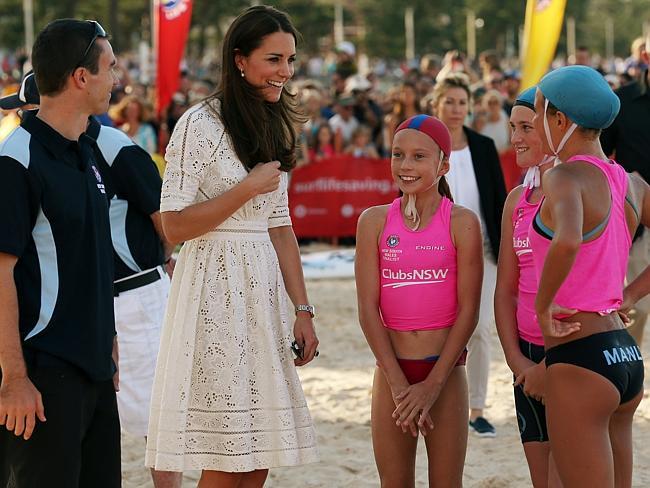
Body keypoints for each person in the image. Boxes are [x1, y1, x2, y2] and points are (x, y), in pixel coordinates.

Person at [145, 6, 319, 487]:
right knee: (225, 452)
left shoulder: (276, 123)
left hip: (262, 294)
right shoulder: (197, 125)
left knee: (259, 452)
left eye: (290, 60)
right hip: (211, 294)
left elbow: (280, 227)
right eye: (273, 59)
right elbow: (174, 227)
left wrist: (302, 310)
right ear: (239, 60)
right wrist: (245, 189)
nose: (285, 71)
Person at [1, 68, 180, 488]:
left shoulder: (109, 146)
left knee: (158, 419)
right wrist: (13, 375)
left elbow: (163, 215)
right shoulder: (27, 156)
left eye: (24, 109)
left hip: (133, 298)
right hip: (78, 324)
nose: (23, 118)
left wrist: (155, 263)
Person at [0, 19, 120, 487]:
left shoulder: (85, 151)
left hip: (93, 371)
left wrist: (106, 337)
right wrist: (13, 377)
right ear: (80, 77)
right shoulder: (17, 158)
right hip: (41, 379)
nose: (117, 79)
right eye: (109, 67)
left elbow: (86, 255)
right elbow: (1, 274)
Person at [530, 65, 648, 487]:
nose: (535, 121)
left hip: (581, 354)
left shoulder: (563, 177)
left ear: (561, 120)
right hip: (624, 353)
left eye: (540, 111)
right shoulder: (631, 182)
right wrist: (629, 295)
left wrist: (543, 308)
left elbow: (566, 241)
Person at [355, 114, 482, 487]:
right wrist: (397, 383)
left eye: (418, 157)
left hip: (444, 372)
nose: (405, 166)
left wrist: (432, 385)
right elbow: (367, 310)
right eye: (398, 155)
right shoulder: (373, 221)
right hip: (392, 372)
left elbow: (469, 311)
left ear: (444, 165)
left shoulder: (462, 222)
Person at [431, 73, 507, 437]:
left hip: (485, 251)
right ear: (436, 104)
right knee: (438, 327)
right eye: (450, 101)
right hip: (435, 253)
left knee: (479, 329)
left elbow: (498, 200)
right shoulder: (426, 146)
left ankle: (476, 409)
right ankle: (439, 399)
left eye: (462, 102)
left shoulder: (483, 146)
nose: (457, 109)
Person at [494, 87, 561, 488]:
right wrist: (518, 363)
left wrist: (630, 293)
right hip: (525, 356)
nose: (515, 138)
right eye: (512, 128)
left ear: (555, 128)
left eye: (525, 127)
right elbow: (505, 289)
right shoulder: (518, 198)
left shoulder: (578, 188)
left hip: (570, 354)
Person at [601, 34, 650, 350]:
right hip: (638, 220)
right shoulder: (621, 102)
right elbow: (599, 157)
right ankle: (633, 373)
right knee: (637, 306)